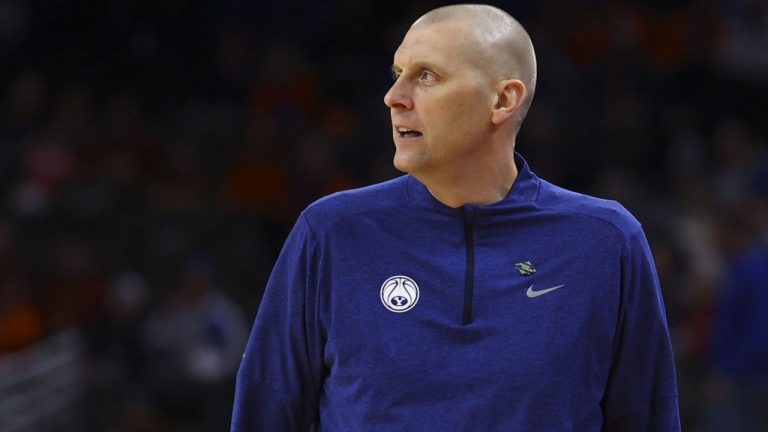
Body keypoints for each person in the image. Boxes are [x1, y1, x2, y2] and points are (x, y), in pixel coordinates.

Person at [231, 4, 680, 431]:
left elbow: (648, 417)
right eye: (397, 75)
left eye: (426, 76)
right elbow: (266, 412)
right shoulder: (331, 232)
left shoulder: (605, 240)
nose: (393, 97)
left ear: (503, 100)